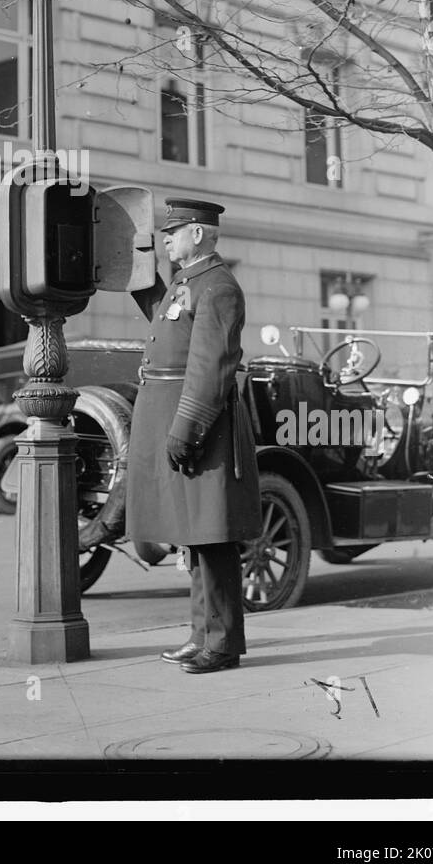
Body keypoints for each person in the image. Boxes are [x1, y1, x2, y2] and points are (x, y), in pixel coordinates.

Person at [83, 197, 262, 674]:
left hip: (200, 425)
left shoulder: (218, 287)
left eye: (174, 231)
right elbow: (165, 321)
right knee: (192, 535)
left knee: (212, 535)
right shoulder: (188, 284)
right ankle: (202, 634)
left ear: (199, 234)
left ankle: (222, 644)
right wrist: (130, 261)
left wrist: (187, 430)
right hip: (174, 417)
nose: (166, 238)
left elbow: (209, 369)